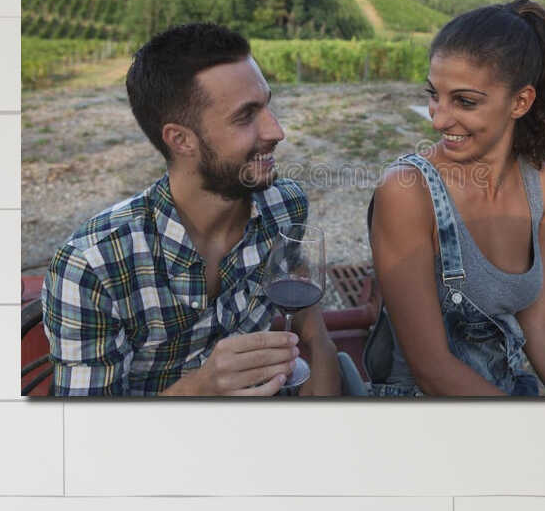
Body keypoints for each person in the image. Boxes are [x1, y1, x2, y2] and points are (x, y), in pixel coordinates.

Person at [44, 22, 342, 396]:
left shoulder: (285, 206)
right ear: (181, 139)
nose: (276, 130)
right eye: (246, 116)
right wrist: (202, 387)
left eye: (268, 104)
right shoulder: (91, 267)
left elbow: (314, 339)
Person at [361, 0, 545, 398]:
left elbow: (539, 326)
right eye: (434, 94)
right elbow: (430, 368)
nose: (437, 118)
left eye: (464, 101)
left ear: (520, 102)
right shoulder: (407, 192)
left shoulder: (540, 182)